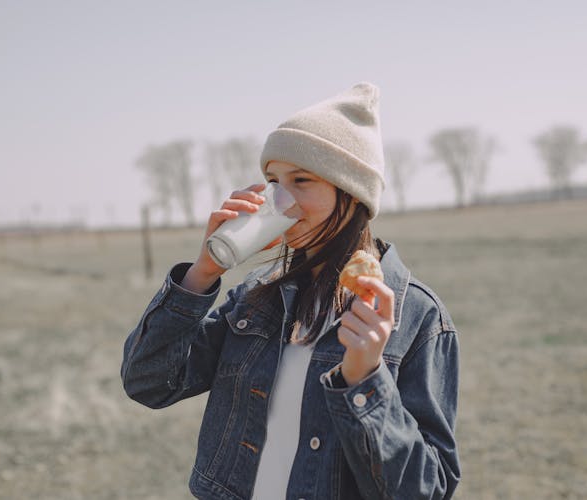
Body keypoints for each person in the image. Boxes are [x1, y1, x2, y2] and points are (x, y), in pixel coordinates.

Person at [121, 83, 460, 499]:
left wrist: (365, 379)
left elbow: (426, 490)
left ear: (351, 194)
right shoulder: (255, 296)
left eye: (301, 180)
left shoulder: (417, 318)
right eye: (272, 180)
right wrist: (203, 272)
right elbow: (150, 383)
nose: (280, 200)